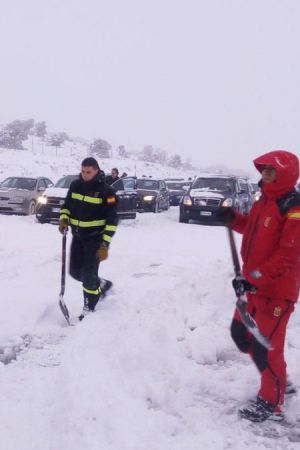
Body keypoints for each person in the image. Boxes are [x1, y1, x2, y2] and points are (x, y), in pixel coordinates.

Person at [218, 150, 300, 423]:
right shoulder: (263, 199)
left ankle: (271, 400)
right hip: (253, 287)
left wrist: (251, 277)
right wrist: (234, 218)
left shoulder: (294, 207)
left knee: (267, 348)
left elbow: (288, 256)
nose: (265, 172)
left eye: (271, 169)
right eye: (263, 168)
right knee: (241, 335)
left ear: (285, 172)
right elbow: (253, 229)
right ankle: (278, 379)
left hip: (276, 293)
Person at [58, 157, 118, 320]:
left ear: (96, 171)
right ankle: (102, 284)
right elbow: (67, 207)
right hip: (77, 236)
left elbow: (112, 221)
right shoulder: (75, 185)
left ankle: (89, 307)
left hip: (95, 238)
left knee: (89, 275)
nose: (85, 175)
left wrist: (105, 244)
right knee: (75, 272)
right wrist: (64, 219)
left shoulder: (107, 192)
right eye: (83, 171)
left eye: (88, 172)